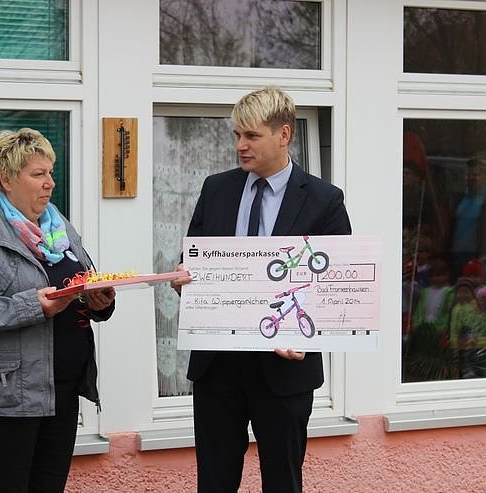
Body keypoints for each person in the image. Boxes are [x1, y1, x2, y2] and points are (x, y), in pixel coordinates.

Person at [171, 86, 351, 492]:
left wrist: (307, 335)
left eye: (251, 135)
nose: (240, 145)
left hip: (284, 368)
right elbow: (194, 261)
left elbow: (335, 283)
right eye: (237, 134)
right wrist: (185, 281)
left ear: (283, 135)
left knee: (282, 482)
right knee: (214, 482)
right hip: (218, 364)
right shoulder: (216, 188)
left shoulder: (324, 200)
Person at [0, 128, 116, 493]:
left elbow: (81, 282)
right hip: (7, 398)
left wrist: (99, 301)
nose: (50, 183)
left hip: (61, 391)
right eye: (38, 174)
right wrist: (31, 306)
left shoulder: (59, 228)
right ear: (6, 179)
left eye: (51, 172)